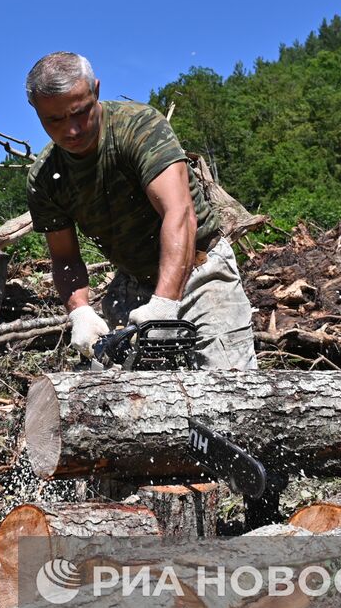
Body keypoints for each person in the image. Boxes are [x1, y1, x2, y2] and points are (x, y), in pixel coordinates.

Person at [24, 51, 257, 370]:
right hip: (134, 283)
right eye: (54, 120)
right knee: (130, 396)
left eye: (80, 113)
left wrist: (164, 305)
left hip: (200, 270)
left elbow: (180, 214)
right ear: (35, 110)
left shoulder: (138, 127)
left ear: (96, 90)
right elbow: (65, 258)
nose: (72, 130)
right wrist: (79, 310)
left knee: (231, 385)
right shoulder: (45, 177)